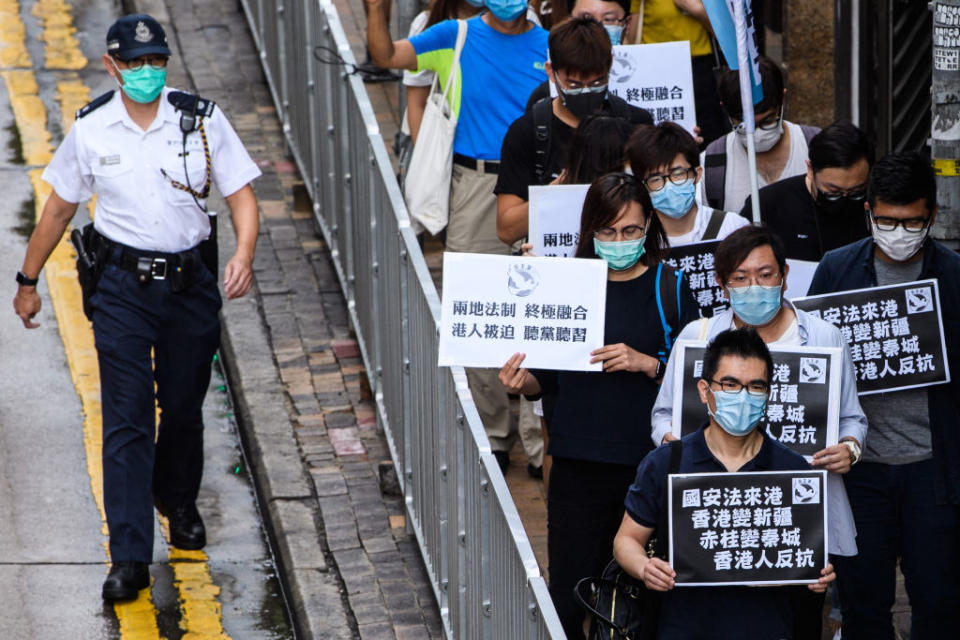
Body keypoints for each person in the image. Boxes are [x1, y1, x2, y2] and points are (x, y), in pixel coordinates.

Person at [12, 14, 260, 601]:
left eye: (156, 62)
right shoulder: (93, 130)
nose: (147, 73)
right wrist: (28, 279)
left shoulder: (200, 122)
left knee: (181, 407)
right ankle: (129, 555)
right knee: (126, 422)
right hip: (122, 289)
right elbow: (57, 210)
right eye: (136, 63)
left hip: (189, 286)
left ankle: (175, 496)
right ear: (112, 66)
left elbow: (242, 194)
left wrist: (243, 254)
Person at [498, 173, 698, 638]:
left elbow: (697, 375)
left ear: (649, 226)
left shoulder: (671, 287)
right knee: (571, 589)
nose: (619, 241)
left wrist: (648, 362)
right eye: (607, 232)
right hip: (577, 463)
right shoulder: (568, 285)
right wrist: (519, 379)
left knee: (647, 592)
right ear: (590, 232)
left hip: (647, 465)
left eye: (629, 231)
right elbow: (540, 379)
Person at [650, 225, 866, 638]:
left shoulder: (823, 336)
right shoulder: (696, 338)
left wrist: (849, 450)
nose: (754, 286)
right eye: (741, 278)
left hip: (796, 518)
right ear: (721, 283)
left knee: (799, 621)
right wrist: (675, 447)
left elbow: (852, 418)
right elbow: (662, 416)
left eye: (765, 275)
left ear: (784, 274)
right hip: (713, 516)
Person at [367, 0, 548, 469]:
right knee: (478, 309)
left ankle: (538, 443)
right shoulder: (454, 35)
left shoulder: (550, 43)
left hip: (541, 188)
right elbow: (387, 57)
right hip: (475, 187)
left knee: (541, 313)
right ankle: (493, 432)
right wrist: (375, 12)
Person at [808, 151, 960, 639]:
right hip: (860, 469)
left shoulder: (955, 276)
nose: (899, 232)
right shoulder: (836, 270)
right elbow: (809, 355)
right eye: (888, 221)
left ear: (932, 215)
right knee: (863, 604)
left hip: (934, 468)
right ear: (869, 211)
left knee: (939, 603)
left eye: (912, 221)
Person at [614, 328, 836, 639]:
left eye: (756, 386)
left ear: (768, 394)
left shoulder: (793, 471)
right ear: (705, 390)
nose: (743, 396)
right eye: (730, 384)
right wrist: (644, 567)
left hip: (768, 628)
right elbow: (626, 540)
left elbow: (807, 556)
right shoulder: (666, 463)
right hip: (683, 627)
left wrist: (818, 574)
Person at [496, 16, 652, 245]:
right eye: (574, 85)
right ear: (551, 72)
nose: (587, 92)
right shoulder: (528, 132)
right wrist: (557, 191)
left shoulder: (636, 124)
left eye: (597, 82)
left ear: (610, 64)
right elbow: (506, 230)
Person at [740, 120, 873, 261]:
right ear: (810, 169)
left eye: (856, 191)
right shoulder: (767, 204)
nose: (844, 198)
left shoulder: (875, 202)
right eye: (833, 192)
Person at [701, 56, 821, 213]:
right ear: (726, 110)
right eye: (744, 125)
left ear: (783, 99)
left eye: (768, 121)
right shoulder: (711, 165)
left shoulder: (815, 146)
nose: (756, 133)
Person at [627, 121, 747, 246]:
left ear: (697, 174)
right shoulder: (636, 242)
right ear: (643, 186)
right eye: (656, 179)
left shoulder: (732, 228)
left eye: (678, 174)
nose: (669, 185)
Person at [625, 0, 728, 145]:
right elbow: (632, 39)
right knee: (654, 138)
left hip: (700, 71)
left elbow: (730, 37)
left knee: (707, 136)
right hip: (653, 69)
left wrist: (697, 10)